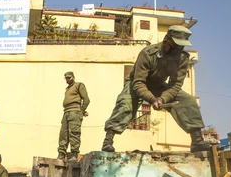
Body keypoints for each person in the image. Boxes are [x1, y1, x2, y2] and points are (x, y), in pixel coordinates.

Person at [101, 25, 211, 153]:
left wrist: (162, 99)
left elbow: (175, 85)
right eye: (176, 46)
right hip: (137, 83)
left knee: (188, 101)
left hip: (158, 85)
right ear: (166, 42)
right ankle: (108, 140)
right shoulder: (147, 54)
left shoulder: (182, 58)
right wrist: (152, 99)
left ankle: (197, 141)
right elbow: (138, 83)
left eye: (182, 47)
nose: (179, 50)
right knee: (126, 103)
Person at [58, 71, 90, 162]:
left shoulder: (79, 85)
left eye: (69, 78)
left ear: (73, 77)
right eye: (66, 78)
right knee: (63, 134)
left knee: (74, 133)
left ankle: (74, 154)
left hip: (75, 112)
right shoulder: (68, 88)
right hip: (66, 112)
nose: (68, 79)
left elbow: (86, 100)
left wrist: (81, 111)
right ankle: (61, 153)